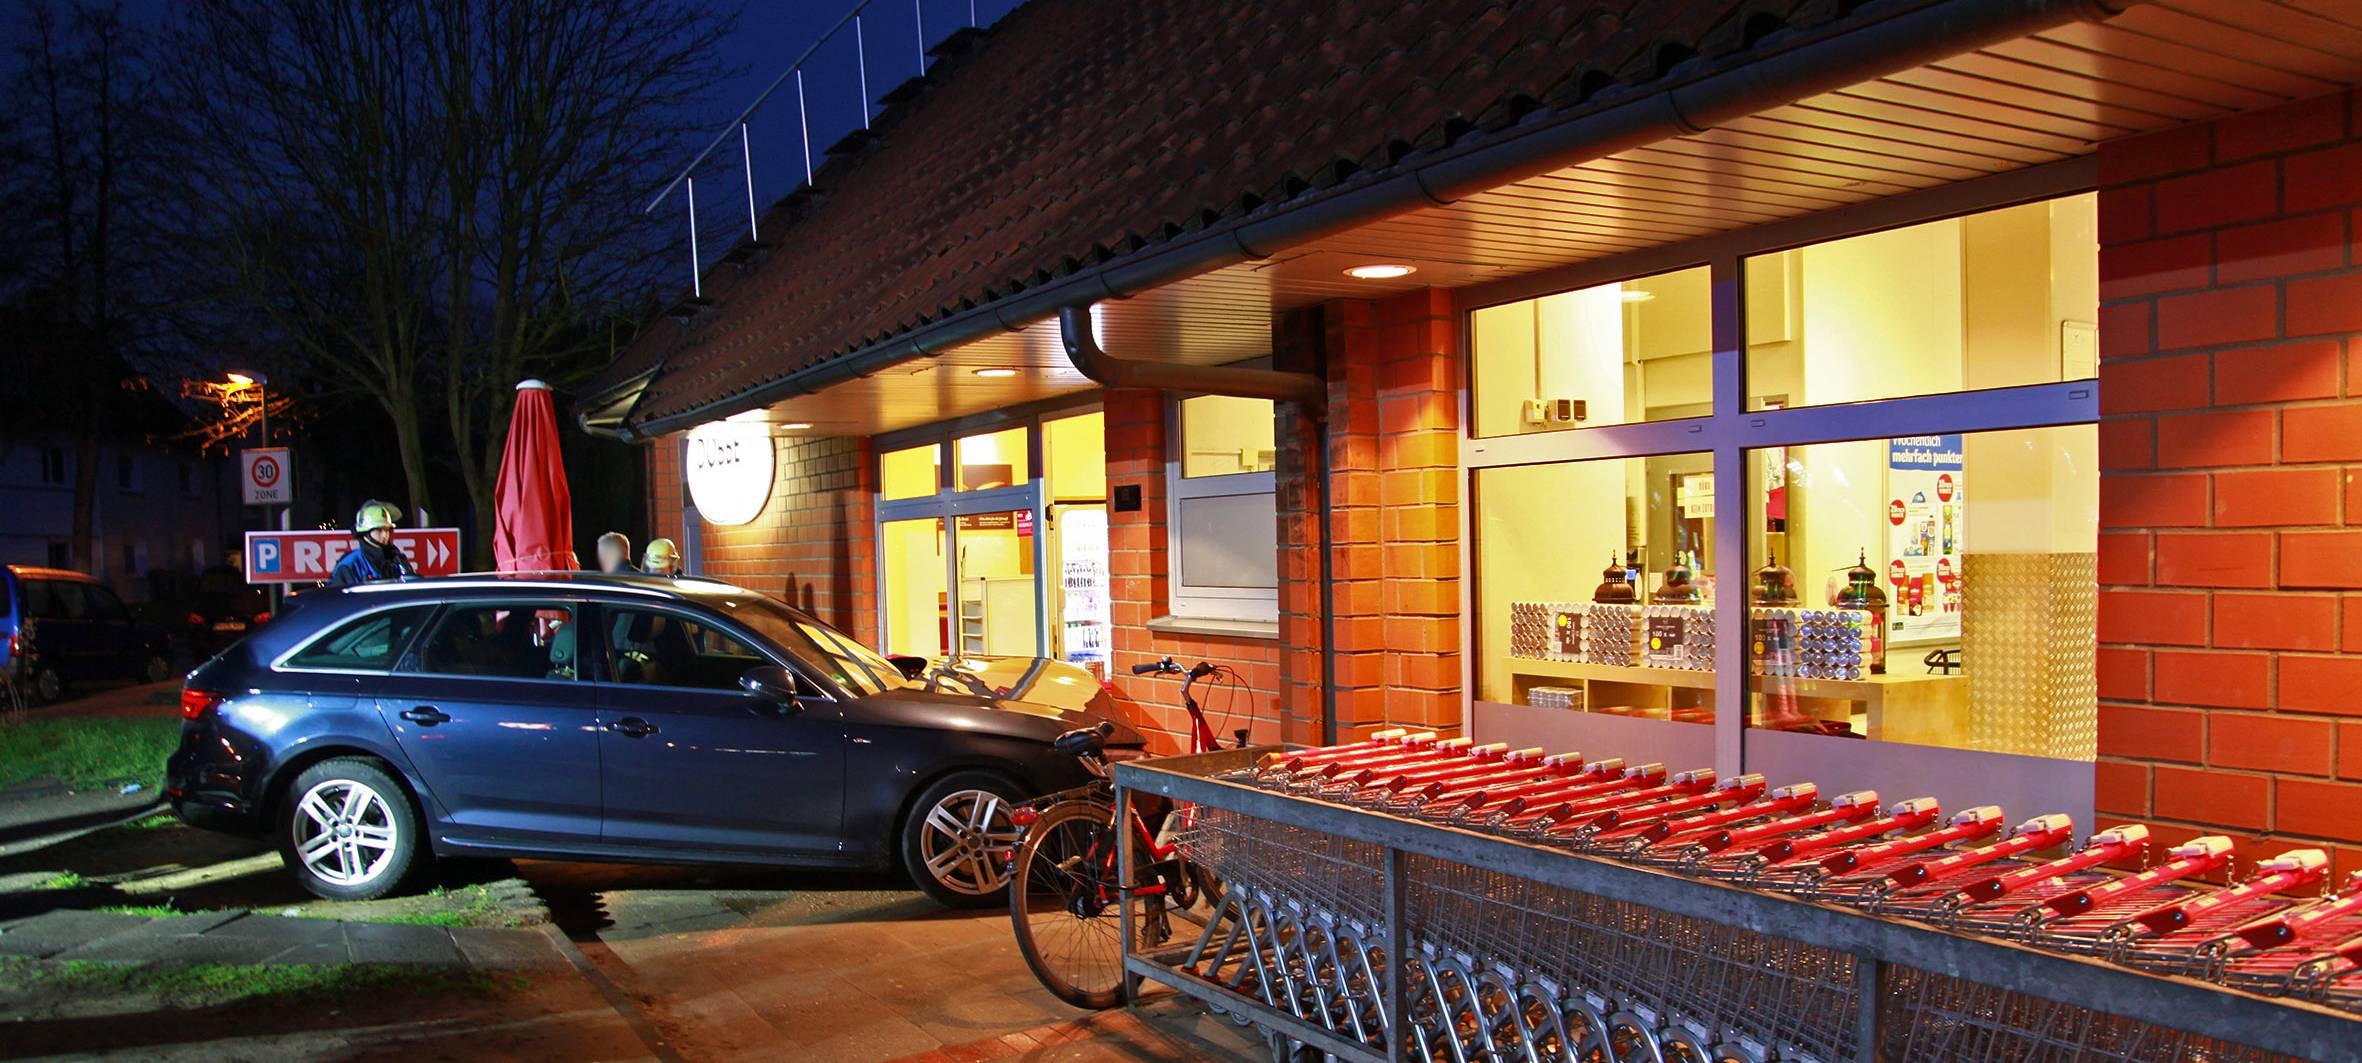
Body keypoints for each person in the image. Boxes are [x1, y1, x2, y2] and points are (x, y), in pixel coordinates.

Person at [327, 500, 418, 588]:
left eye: (387, 530)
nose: (385, 535)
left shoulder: (397, 559)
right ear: (365, 532)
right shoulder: (350, 565)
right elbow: (337, 599)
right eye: (379, 530)